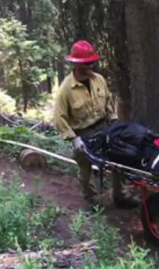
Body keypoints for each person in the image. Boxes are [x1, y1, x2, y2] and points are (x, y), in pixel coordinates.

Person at [52, 40, 139, 209]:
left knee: (118, 157)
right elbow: (59, 117)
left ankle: (120, 196)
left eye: (91, 61)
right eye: (86, 63)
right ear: (76, 64)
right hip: (82, 133)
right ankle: (91, 199)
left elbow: (108, 103)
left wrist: (114, 122)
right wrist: (73, 138)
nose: (90, 65)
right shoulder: (66, 89)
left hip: (103, 126)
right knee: (85, 168)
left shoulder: (99, 80)